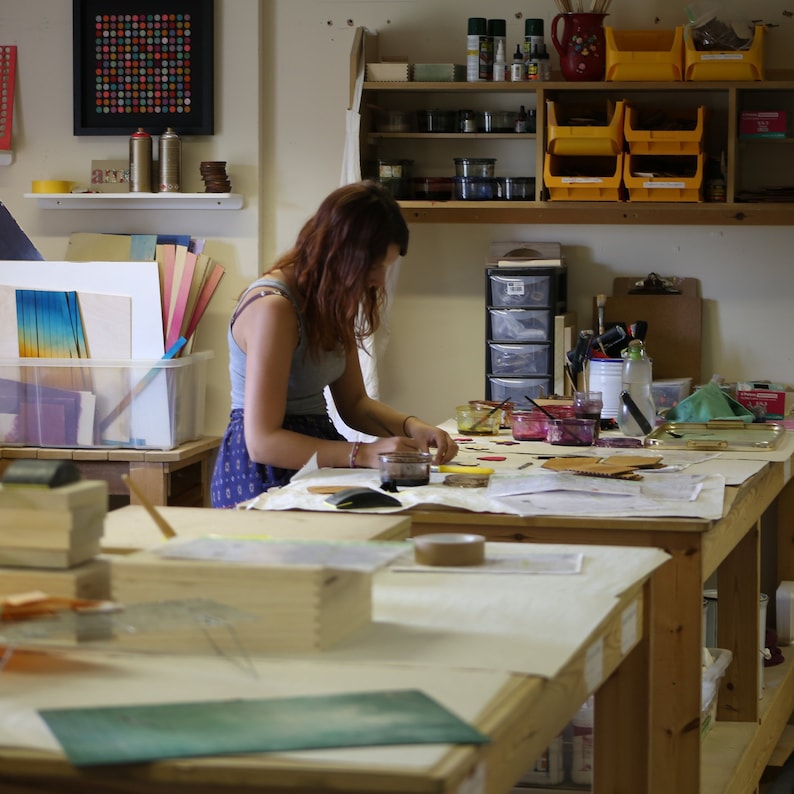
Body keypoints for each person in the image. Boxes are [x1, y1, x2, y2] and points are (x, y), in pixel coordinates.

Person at [211, 180, 459, 508]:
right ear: (340, 254)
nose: (378, 281)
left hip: (316, 455)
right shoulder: (274, 308)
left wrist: (412, 426)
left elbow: (354, 402)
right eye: (373, 268)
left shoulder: (328, 300)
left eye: (385, 268)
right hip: (264, 472)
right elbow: (263, 442)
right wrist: (364, 453)